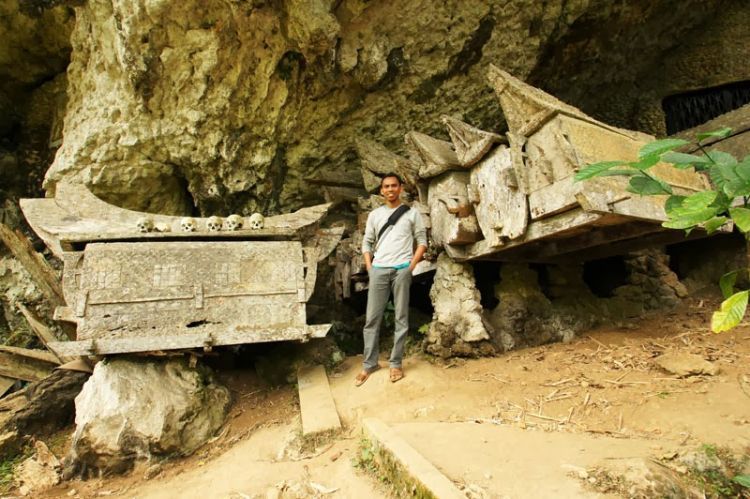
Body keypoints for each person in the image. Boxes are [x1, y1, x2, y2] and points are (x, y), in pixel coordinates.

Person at [355, 173, 427, 386]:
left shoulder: (412, 214)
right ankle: (369, 364)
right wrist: (370, 267)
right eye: (386, 186)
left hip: (401, 270)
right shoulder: (375, 215)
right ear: (381, 191)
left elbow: (422, 241)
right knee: (372, 320)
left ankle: (396, 363)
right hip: (379, 270)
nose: (390, 190)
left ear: (401, 188)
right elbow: (367, 243)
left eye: (394, 186)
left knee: (401, 318)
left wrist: (411, 267)